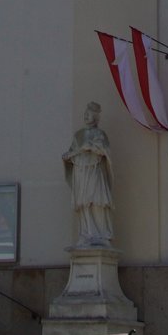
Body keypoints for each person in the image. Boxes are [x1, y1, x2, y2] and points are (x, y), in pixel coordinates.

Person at [63, 102, 114, 247]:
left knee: (97, 201)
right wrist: (68, 156)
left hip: (94, 171)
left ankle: (102, 235)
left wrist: (92, 147)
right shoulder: (78, 134)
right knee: (83, 202)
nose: (86, 116)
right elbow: (72, 150)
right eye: (85, 113)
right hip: (80, 171)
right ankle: (86, 234)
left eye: (89, 113)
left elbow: (105, 152)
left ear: (96, 117)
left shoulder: (100, 134)